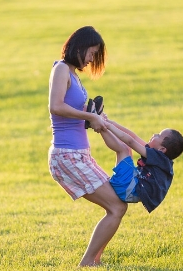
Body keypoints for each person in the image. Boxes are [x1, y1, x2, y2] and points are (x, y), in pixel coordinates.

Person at [48, 26, 128, 267]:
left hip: (79, 154)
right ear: (79, 47)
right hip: (67, 155)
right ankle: (87, 263)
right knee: (116, 206)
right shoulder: (61, 69)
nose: (92, 59)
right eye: (92, 53)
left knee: (118, 206)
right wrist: (90, 118)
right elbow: (55, 106)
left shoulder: (73, 74)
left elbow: (72, 111)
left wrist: (93, 116)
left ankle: (95, 260)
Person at [99, 113, 183, 213]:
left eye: (158, 135)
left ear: (162, 149)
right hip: (130, 187)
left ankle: (99, 126)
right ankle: (101, 124)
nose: (154, 134)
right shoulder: (160, 157)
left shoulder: (158, 157)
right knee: (125, 148)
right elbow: (134, 137)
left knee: (123, 149)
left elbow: (131, 142)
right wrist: (110, 122)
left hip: (128, 189)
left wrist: (107, 125)